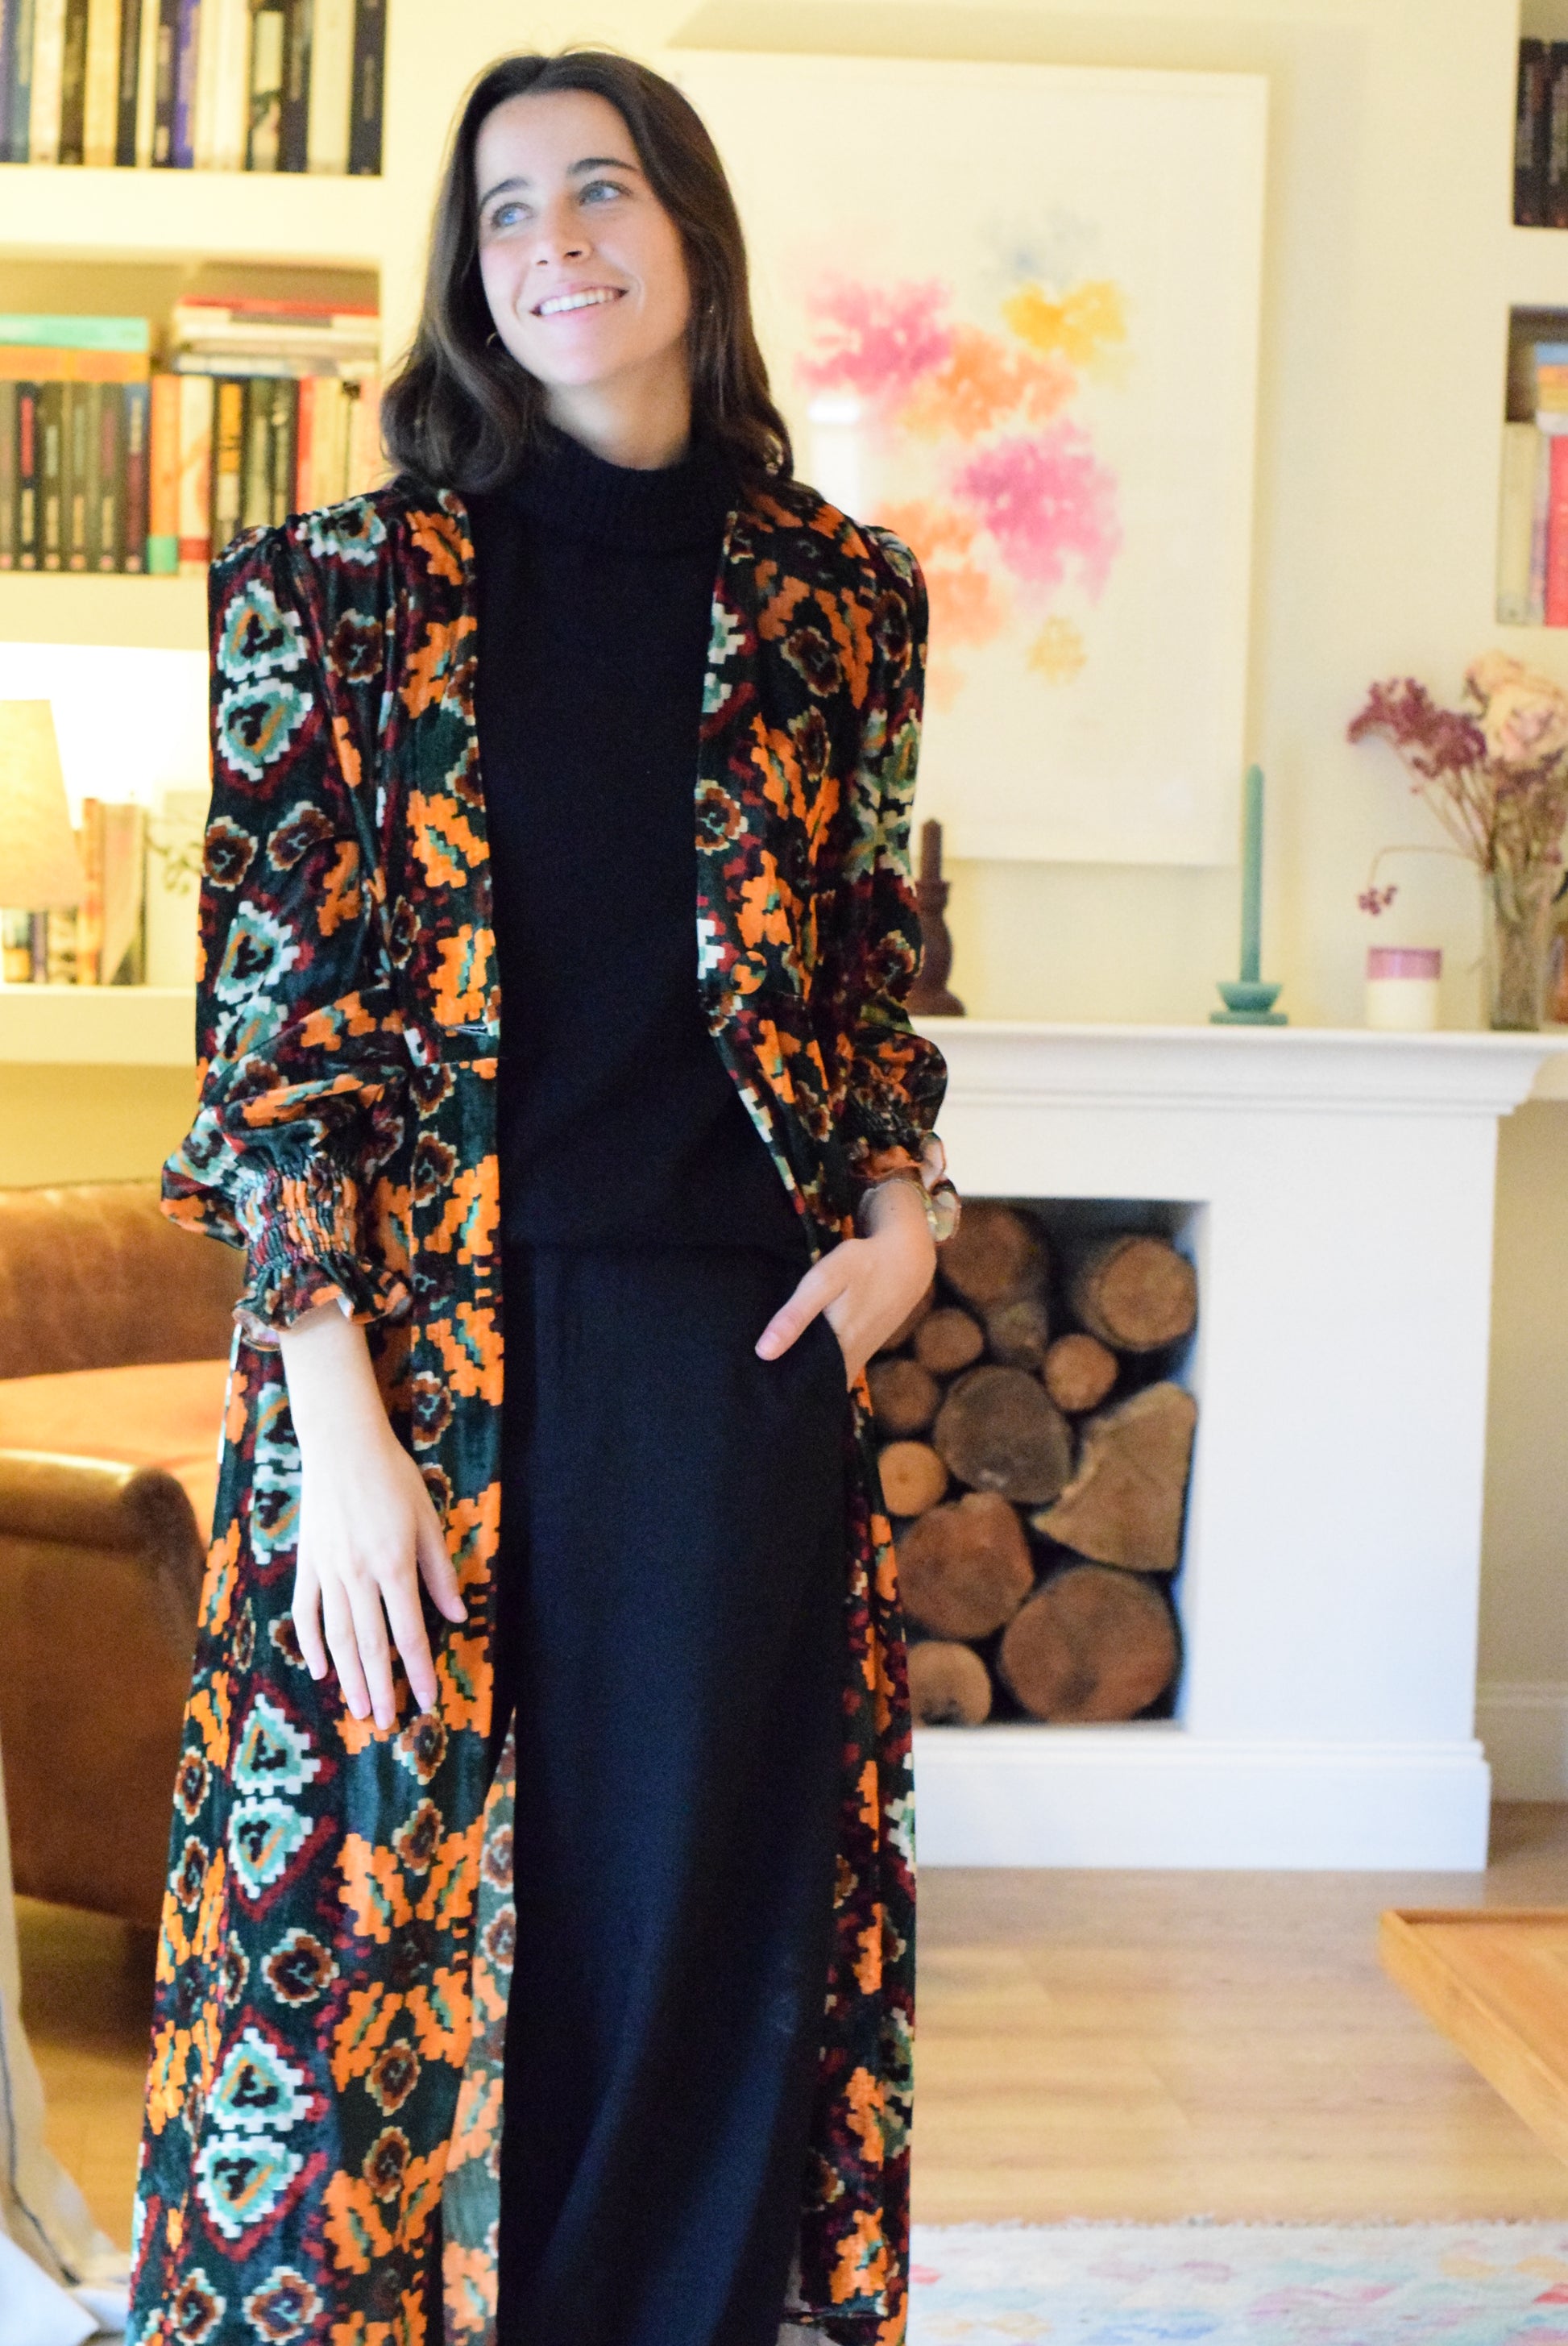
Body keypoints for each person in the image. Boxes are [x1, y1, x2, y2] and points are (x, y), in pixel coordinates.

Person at [127, 44, 955, 2346]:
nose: (554, 243)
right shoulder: (324, 596)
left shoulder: (845, 601)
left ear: (690, 233)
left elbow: (865, 960)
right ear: (467, 276)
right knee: (351, 1959)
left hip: (730, 1351)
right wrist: (339, 1431)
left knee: (698, 1948)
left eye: (599, 191)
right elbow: (273, 1038)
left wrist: (903, 1210)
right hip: (407, 1354)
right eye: (504, 211)